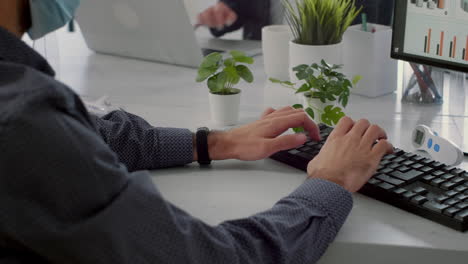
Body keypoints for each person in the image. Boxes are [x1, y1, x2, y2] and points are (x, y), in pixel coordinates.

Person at [0, 0, 393, 263]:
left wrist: (213, 142)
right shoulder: (23, 119)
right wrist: (330, 182)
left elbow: (94, 134)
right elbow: (214, 257)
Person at [197, 0, 395, 40]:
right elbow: (237, 7)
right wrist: (222, 14)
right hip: (260, 67)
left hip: (329, 75)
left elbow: (371, 29)